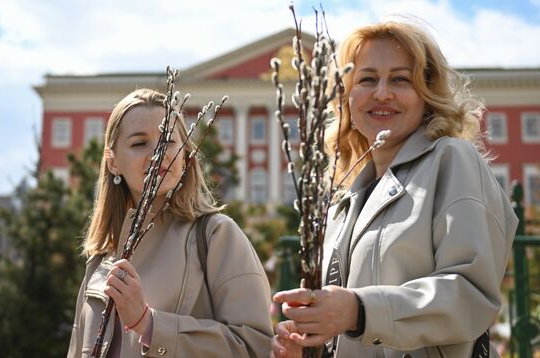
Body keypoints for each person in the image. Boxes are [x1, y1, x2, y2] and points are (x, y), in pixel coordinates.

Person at [271, 20, 518, 358]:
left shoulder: (451, 159)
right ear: (347, 96)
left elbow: (471, 296)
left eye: (400, 79)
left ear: (426, 93)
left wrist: (357, 310)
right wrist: (309, 342)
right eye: (367, 79)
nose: (382, 93)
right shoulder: (346, 196)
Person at [67, 88, 273, 358]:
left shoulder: (216, 236)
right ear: (113, 161)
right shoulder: (99, 260)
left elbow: (254, 347)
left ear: (186, 154)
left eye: (169, 141)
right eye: (139, 143)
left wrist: (149, 324)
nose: (158, 153)